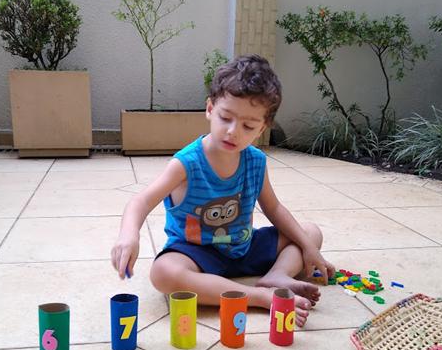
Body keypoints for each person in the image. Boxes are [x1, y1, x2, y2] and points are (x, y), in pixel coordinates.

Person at [111, 54, 335, 327]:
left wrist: (309, 248)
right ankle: (257, 296)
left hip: (245, 246)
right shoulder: (187, 163)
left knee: (310, 233)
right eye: (225, 118)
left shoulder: (256, 161)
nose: (233, 131)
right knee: (163, 273)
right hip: (198, 253)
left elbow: (274, 208)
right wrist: (129, 235)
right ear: (209, 108)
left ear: (262, 128)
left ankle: (277, 275)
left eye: (248, 126)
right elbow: (141, 201)